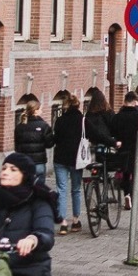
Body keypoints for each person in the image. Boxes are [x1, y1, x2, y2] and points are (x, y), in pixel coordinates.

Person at [51, 91, 87, 234]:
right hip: (76, 159)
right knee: (76, 189)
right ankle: (76, 221)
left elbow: (55, 138)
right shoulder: (82, 120)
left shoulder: (60, 120)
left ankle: (63, 223)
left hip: (60, 158)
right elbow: (94, 133)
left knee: (61, 190)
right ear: (78, 106)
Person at [12, 95, 52, 178]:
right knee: (39, 188)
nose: (41, 111)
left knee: (25, 188)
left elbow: (17, 146)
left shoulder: (20, 127)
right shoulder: (43, 125)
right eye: (40, 109)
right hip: (39, 162)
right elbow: (49, 144)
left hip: (24, 162)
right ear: (36, 111)